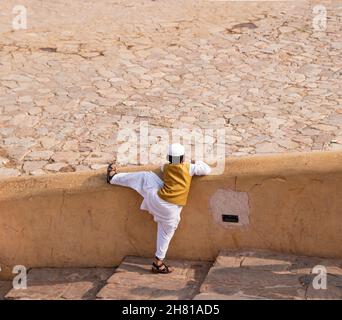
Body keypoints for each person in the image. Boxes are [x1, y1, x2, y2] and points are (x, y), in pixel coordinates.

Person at [106, 143, 211, 274]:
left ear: (169, 158)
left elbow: (164, 168)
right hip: (172, 210)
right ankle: (158, 262)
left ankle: (113, 177)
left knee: (145, 176)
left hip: (158, 200)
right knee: (165, 235)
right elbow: (207, 170)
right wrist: (197, 162)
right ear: (183, 158)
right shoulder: (189, 168)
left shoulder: (166, 167)